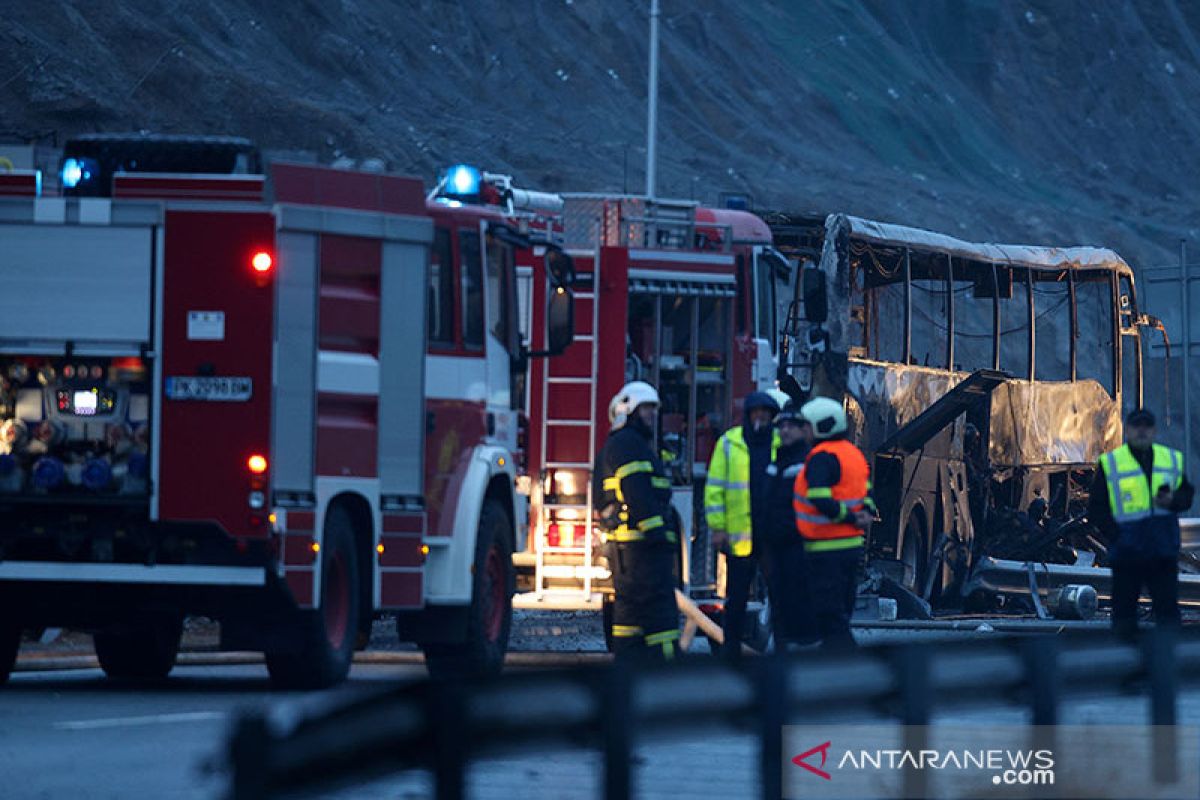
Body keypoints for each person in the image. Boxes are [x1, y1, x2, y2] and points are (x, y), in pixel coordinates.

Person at [1087, 408, 1193, 640]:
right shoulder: (1111, 463)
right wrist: (1116, 536)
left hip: (1161, 552)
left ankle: (1166, 666)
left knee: (1167, 615)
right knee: (1124, 617)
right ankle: (1128, 665)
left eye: (1147, 427)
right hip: (1128, 553)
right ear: (1128, 431)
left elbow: (1187, 496)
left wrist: (1172, 500)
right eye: (1137, 427)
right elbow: (1096, 509)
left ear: (1154, 431)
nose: (1142, 432)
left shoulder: (1170, 460)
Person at [594, 381, 681, 662]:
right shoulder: (629, 444)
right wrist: (660, 537)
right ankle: (668, 681)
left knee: (628, 622)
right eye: (646, 410)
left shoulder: (619, 444)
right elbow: (638, 493)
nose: (652, 416)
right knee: (662, 621)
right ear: (628, 411)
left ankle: (627, 678)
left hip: (627, 556)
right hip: (644, 553)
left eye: (654, 410)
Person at [792, 397, 874, 650]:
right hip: (851, 547)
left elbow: (819, 498)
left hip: (825, 548)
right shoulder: (854, 454)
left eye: (806, 426)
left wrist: (848, 517)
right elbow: (866, 493)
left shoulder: (821, 457)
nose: (802, 431)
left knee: (829, 615)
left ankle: (845, 665)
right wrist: (864, 514)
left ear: (821, 426)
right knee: (842, 611)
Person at [705, 391, 780, 659]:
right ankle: (730, 653)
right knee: (735, 600)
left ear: (772, 416)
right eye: (755, 412)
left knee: (779, 596)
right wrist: (717, 527)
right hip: (740, 538)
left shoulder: (780, 443)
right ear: (748, 414)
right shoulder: (730, 442)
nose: (760, 416)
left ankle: (781, 652)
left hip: (772, 536)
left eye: (765, 412)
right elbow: (715, 488)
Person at [763, 400, 816, 650]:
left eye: (791, 425)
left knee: (796, 606)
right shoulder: (778, 461)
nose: (785, 430)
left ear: (803, 429)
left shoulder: (804, 462)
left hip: (797, 548)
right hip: (776, 547)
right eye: (781, 425)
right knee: (779, 605)